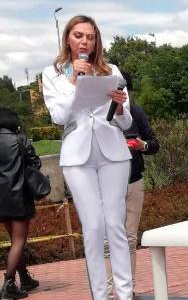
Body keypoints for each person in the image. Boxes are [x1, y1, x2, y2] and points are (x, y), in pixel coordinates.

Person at [42, 15, 134, 300]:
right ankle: (100, 294)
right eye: (79, 35)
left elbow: (127, 123)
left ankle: (125, 292)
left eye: (90, 37)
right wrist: (75, 82)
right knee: (93, 226)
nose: (85, 41)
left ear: (97, 42)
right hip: (77, 155)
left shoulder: (111, 69)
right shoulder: (52, 73)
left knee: (115, 224)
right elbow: (59, 116)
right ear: (68, 39)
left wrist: (119, 109)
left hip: (113, 152)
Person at [106, 72, 160, 299]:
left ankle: (127, 288)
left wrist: (141, 145)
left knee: (129, 238)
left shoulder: (135, 112)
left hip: (134, 181)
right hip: (107, 185)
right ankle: (108, 291)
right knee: (108, 240)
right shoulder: (99, 114)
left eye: (123, 87)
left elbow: (155, 144)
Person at [0, 107, 41, 299]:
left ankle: (24, 278)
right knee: (18, 241)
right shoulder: (20, 139)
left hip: (0, 200)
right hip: (19, 197)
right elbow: (35, 163)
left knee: (15, 241)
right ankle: (8, 283)